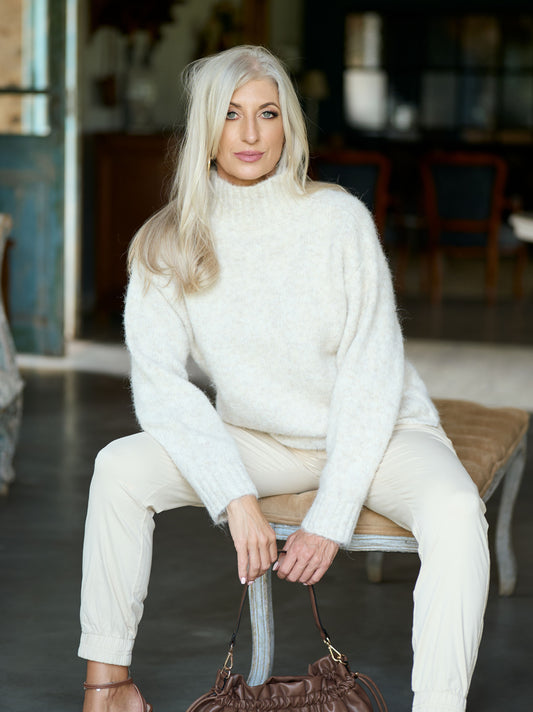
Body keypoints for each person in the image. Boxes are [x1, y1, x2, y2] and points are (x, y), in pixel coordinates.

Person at [79, 45, 490, 712]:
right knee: (118, 467)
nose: (248, 133)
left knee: (455, 512)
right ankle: (108, 687)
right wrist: (234, 495)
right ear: (204, 128)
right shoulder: (166, 241)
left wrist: (328, 517)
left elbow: (370, 372)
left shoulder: (337, 220)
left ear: (286, 125)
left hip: (378, 429)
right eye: (230, 114)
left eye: (266, 113)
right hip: (260, 437)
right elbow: (160, 386)